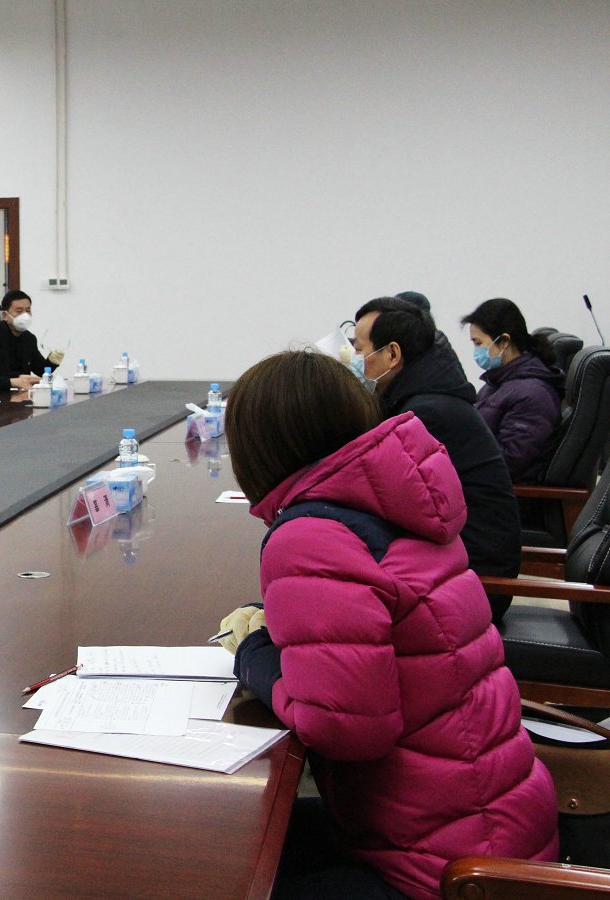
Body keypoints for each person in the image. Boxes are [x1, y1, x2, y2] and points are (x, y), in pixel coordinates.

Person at [217, 350, 557, 900]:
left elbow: (345, 729)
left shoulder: (311, 536)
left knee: (215, 863)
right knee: (235, 842)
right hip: (492, 825)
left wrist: (253, 654)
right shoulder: (396, 500)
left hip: (449, 871)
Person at [351, 296, 520, 621]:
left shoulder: (425, 415)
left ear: (392, 354)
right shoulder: (423, 398)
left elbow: (387, 502)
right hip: (453, 564)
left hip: (471, 582)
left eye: (360, 350)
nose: (356, 360)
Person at [461, 297, 564, 482]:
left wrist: (458, 451)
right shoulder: (498, 381)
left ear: (504, 341)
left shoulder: (533, 394)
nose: (476, 351)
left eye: (478, 343)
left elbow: (509, 461)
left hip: (503, 494)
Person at [0, 290, 66, 377]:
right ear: (5, 315)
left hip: (24, 385)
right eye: (19, 311)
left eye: (28, 310)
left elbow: (41, 370)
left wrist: (52, 361)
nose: (25, 315)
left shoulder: (29, 338)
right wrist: (19, 379)